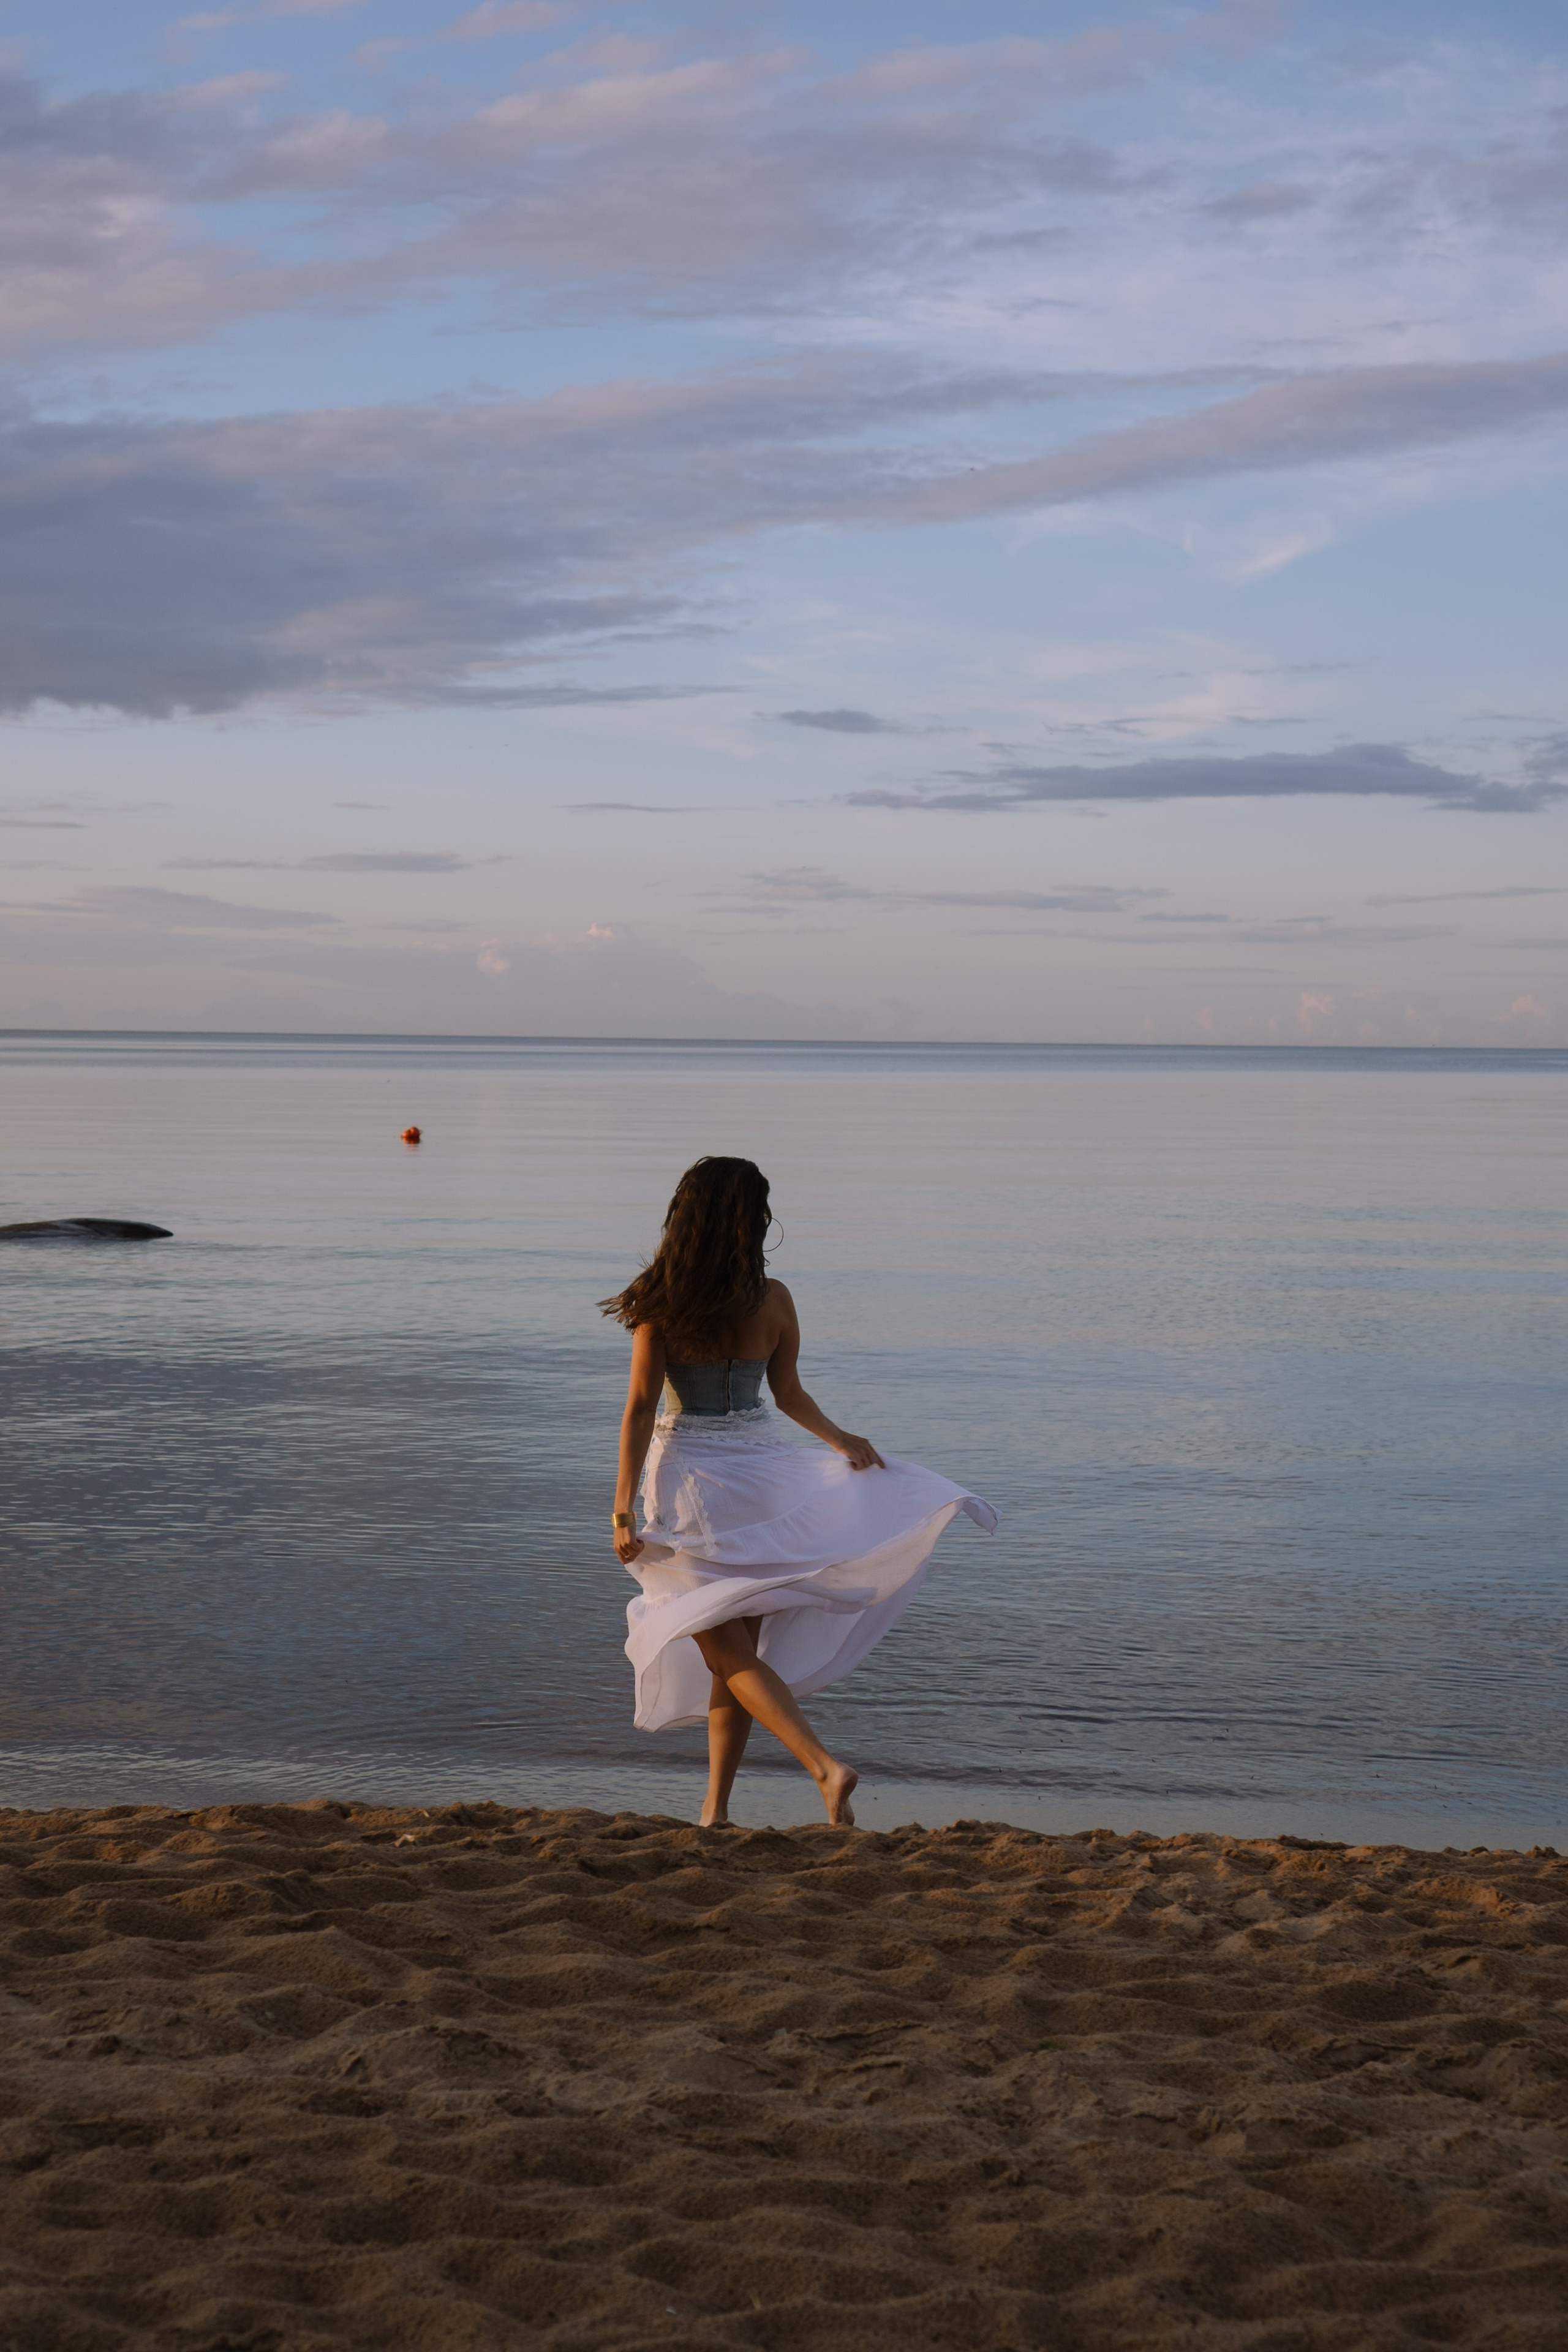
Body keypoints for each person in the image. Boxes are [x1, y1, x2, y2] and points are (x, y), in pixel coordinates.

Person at [601, 1155, 997, 1828]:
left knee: (722, 1649)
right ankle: (715, 1811)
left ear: (684, 1216)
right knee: (735, 1653)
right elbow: (786, 1394)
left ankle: (823, 1767)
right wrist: (842, 1441)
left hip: (693, 1481)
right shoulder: (774, 1298)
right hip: (763, 1475)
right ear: (750, 1221)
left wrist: (619, 1509)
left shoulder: (660, 1303)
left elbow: (641, 1408)